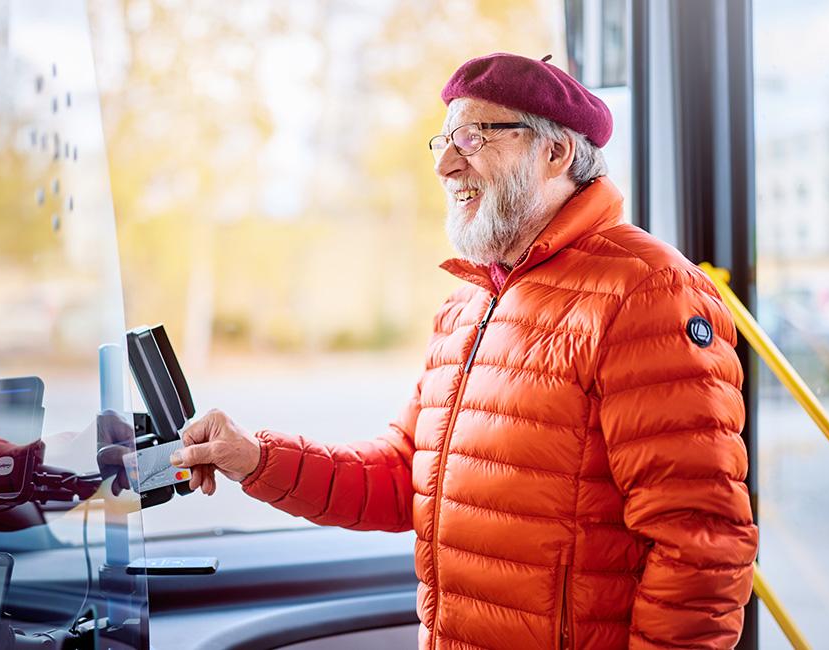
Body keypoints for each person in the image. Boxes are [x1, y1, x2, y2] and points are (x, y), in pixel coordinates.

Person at [170, 52, 758, 649]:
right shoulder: (466, 307)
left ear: (555, 153)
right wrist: (255, 458)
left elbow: (701, 542)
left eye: (474, 138)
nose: (448, 165)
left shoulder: (648, 291)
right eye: (444, 141)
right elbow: (403, 476)